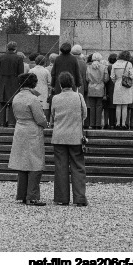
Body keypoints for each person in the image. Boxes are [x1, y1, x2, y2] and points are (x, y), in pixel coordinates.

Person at [8, 72, 48, 206]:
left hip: (20, 129)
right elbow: (40, 118)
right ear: (33, 84)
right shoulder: (33, 99)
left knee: (23, 163)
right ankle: (32, 196)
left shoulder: (16, 97)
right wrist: (45, 123)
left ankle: (22, 194)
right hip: (32, 130)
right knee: (35, 163)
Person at [51, 71, 88, 207]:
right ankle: (80, 197)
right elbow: (84, 114)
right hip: (75, 136)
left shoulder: (56, 98)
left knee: (60, 167)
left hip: (59, 136)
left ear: (61, 85)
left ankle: (62, 197)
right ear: (72, 83)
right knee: (78, 166)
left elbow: (53, 115)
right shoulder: (79, 97)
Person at [0, 41, 25, 127]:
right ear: (15, 48)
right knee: (12, 102)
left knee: (2, 103)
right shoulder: (19, 58)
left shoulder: (0, 57)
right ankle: (11, 123)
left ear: (7, 48)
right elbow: (21, 73)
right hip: (14, 83)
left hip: (2, 82)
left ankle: (2, 122)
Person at [111, 50, 133, 128]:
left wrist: (117, 81)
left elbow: (112, 77)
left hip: (117, 84)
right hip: (126, 85)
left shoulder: (114, 64)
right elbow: (132, 76)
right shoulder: (129, 64)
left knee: (118, 105)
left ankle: (117, 123)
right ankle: (123, 124)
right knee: (125, 105)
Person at [86, 53, 108, 129]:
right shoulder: (103, 67)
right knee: (99, 106)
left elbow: (87, 79)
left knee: (92, 107)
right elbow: (106, 79)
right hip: (100, 87)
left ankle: (92, 124)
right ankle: (98, 124)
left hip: (91, 87)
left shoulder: (88, 67)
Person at [32, 55, 52, 122]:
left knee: (34, 107)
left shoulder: (31, 70)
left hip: (34, 90)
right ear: (44, 62)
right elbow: (50, 82)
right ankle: (46, 124)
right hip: (44, 90)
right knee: (45, 107)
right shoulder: (46, 71)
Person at [103, 53, 118, 129]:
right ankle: (114, 122)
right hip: (116, 87)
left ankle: (109, 123)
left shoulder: (108, 67)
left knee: (109, 106)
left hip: (109, 87)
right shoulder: (117, 67)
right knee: (115, 106)